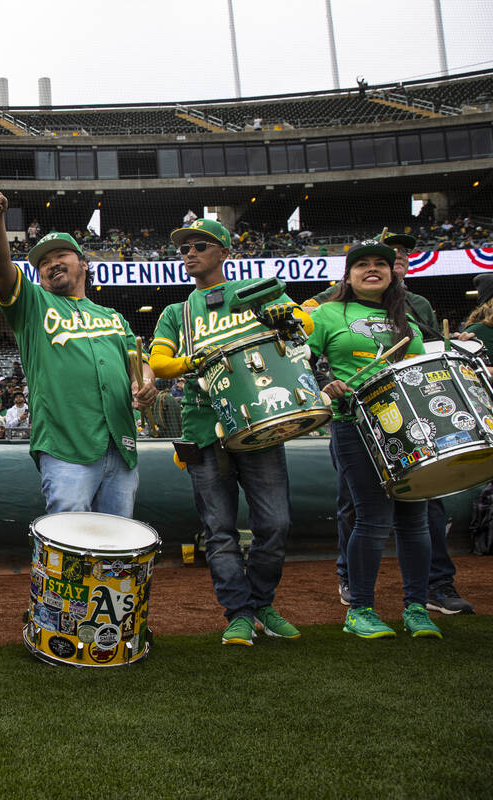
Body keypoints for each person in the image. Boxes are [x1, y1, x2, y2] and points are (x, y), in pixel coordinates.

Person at [149, 218, 311, 646]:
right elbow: (160, 364)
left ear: (224, 252)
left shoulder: (258, 290)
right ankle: (238, 613)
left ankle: (260, 604)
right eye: (183, 248)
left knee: (275, 523)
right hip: (204, 428)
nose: (189, 253)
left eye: (199, 245)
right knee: (219, 531)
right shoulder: (176, 313)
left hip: (262, 424)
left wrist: (285, 316)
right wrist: (192, 361)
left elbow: (306, 328)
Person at [304, 230, 476, 614]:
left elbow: (427, 365)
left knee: (414, 520)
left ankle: (416, 607)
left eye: (380, 264)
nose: (372, 269)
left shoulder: (408, 317)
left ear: (392, 272)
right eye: (362, 265)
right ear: (347, 277)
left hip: (406, 428)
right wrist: (323, 383)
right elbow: (301, 357)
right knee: (370, 518)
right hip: (355, 425)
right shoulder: (327, 313)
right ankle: (361, 608)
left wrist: (457, 348)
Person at [0, 178, 156, 518]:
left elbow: (140, 362)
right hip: (65, 446)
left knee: (117, 546)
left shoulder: (112, 316)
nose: (51, 264)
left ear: (84, 264)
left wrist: (145, 382)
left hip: (120, 445)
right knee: (71, 546)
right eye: (43, 262)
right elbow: (1, 269)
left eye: (61, 255)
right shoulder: (32, 304)